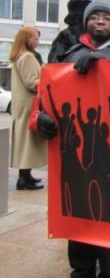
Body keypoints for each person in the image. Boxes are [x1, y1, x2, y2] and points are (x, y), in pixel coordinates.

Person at [56, 0, 110, 278]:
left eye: (107, 18)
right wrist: (42, 120)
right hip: (78, 155)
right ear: (86, 23)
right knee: (80, 215)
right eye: (95, 17)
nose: (100, 21)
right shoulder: (69, 55)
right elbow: (49, 98)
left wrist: (105, 64)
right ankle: (81, 268)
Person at [9, 27, 47, 190]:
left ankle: (25, 176)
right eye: (34, 38)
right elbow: (33, 83)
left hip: (22, 105)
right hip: (30, 105)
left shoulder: (18, 57)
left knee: (24, 141)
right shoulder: (28, 57)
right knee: (27, 142)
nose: (37, 42)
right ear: (26, 39)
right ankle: (24, 178)